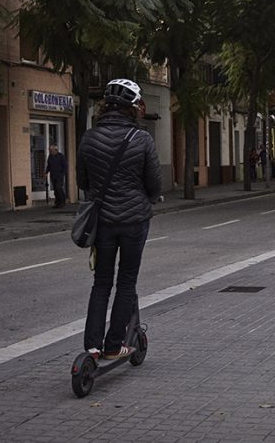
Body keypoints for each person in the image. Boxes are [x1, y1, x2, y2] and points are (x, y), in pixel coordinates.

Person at [76, 79, 162, 361]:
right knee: (126, 282)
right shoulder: (142, 139)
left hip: (102, 222)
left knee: (101, 283)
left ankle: (91, 346)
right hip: (135, 220)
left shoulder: (89, 138)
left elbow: (83, 181)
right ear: (133, 108)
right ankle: (114, 345)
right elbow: (154, 185)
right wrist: (148, 197)